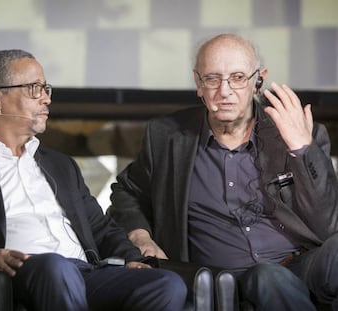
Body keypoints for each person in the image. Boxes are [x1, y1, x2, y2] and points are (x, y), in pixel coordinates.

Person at [0, 49, 187, 311]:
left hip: (87, 272)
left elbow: (101, 228)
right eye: (34, 88)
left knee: (165, 283)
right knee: (56, 266)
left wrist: (130, 259)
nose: (47, 99)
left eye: (46, 88)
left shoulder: (60, 164)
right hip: (23, 274)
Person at [108, 33, 338, 310]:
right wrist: (140, 235)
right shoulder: (167, 137)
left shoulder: (298, 131)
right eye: (213, 79)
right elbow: (127, 192)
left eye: (238, 77)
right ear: (198, 84)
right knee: (269, 276)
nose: (225, 91)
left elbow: (328, 226)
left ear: (258, 80)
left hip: (305, 261)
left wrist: (302, 150)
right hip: (227, 278)